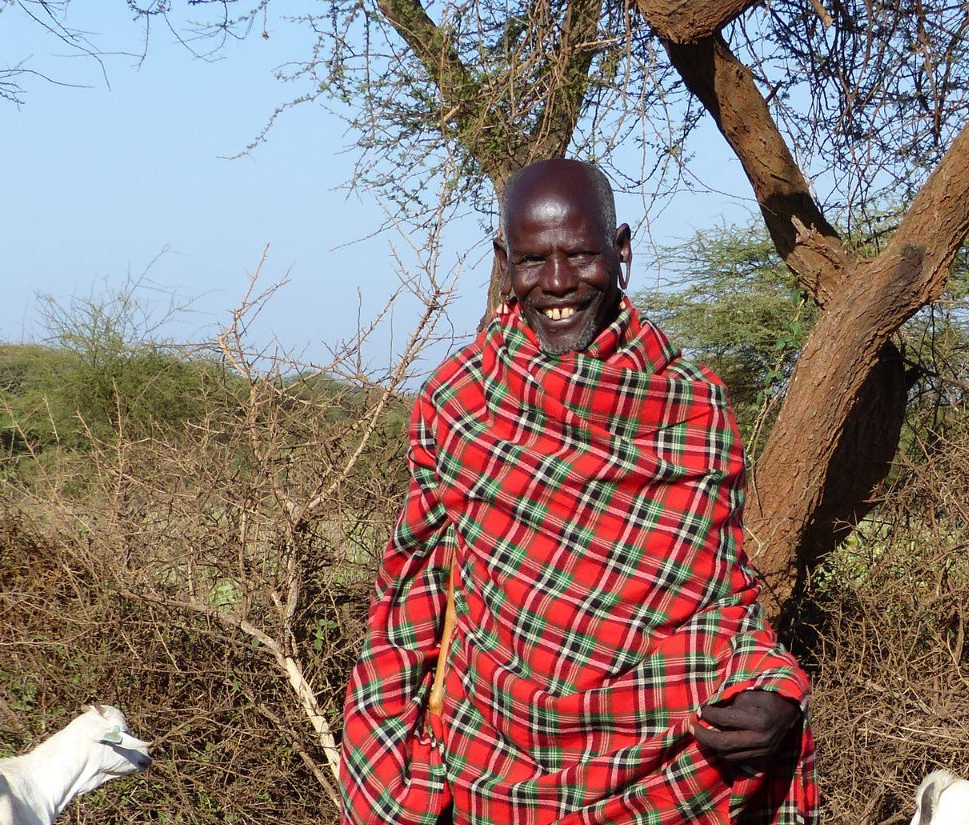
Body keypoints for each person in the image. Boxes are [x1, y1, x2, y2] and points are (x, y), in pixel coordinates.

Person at [339, 158, 814, 824]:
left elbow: (724, 604)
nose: (558, 283)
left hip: (669, 778)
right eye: (534, 260)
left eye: (582, 255)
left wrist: (777, 691)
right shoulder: (460, 404)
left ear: (620, 251)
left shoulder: (692, 407)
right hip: (497, 780)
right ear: (505, 262)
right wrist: (386, 781)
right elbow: (406, 610)